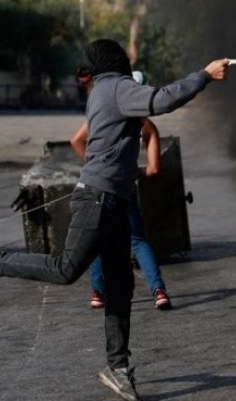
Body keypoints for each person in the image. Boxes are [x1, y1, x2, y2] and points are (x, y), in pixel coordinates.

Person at [0, 39, 228, 401]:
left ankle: (119, 367)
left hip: (113, 199)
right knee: (67, 269)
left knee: (120, 286)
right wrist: (204, 75)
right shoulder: (116, 87)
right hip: (98, 198)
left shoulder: (103, 89)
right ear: (117, 62)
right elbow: (162, 101)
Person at [71, 70, 172, 311]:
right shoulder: (146, 126)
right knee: (137, 240)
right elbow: (154, 169)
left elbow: (76, 140)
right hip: (124, 188)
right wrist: (132, 171)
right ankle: (158, 291)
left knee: (97, 239)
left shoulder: (102, 115)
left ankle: (97, 292)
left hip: (97, 186)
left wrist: (93, 166)